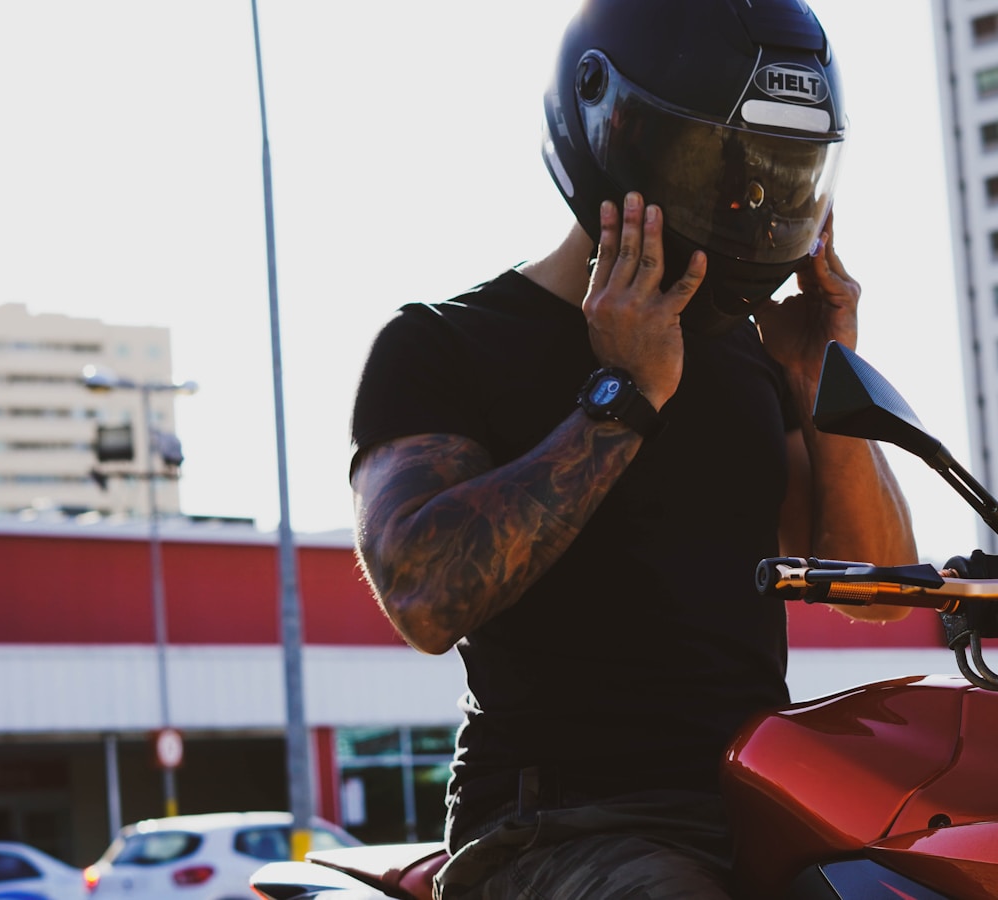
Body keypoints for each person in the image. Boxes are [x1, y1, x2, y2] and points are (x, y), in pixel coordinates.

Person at [347, 0, 917, 897]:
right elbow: (424, 592)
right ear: (619, 132)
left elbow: (879, 586)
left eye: (782, 171)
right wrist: (625, 396)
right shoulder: (444, 343)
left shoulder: (753, 356)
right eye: (722, 164)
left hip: (758, 802)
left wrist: (819, 376)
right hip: (551, 829)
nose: (749, 201)